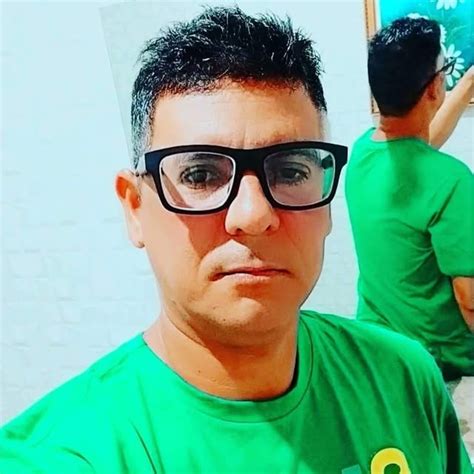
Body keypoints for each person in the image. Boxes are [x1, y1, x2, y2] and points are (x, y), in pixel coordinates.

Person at [0, 7, 471, 473]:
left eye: (290, 170)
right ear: (135, 207)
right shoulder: (64, 454)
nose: (254, 214)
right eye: (200, 175)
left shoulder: (405, 380)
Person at [345, 17, 474, 384]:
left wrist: (467, 81)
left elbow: (415, 147)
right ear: (433, 88)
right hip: (439, 364)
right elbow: (469, 301)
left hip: (378, 351)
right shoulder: (451, 180)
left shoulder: (362, 154)